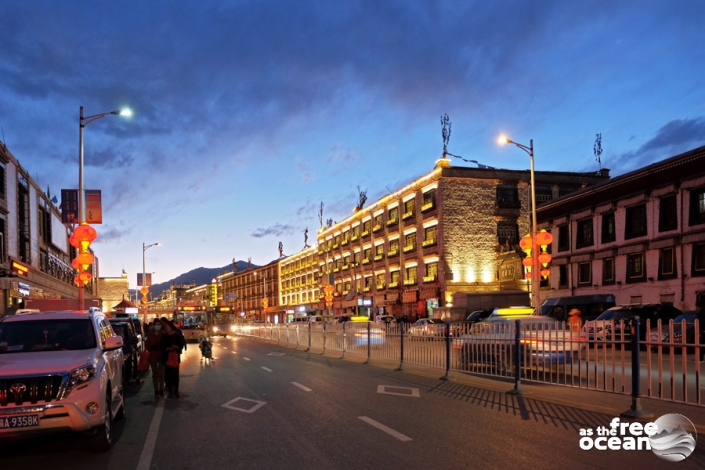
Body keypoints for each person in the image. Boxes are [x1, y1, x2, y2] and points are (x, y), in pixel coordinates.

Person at [161, 320, 186, 399]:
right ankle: (170, 391)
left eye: (168, 327)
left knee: (175, 375)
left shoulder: (177, 335)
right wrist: (167, 348)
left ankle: (176, 391)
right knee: (168, 375)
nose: (167, 328)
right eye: (166, 327)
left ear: (171, 327)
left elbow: (181, 345)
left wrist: (176, 347)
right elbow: (161, 346)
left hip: (175, 357)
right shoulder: (164, 336)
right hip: (167, 358)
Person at [145, 318, 165, 399]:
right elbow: (147, 345)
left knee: (161, 373)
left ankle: (161, 389)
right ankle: (156, 390)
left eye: (158, 325)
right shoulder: (150, 334)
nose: (157, 326)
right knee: (155, 374)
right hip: (153, 356)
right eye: (156, 325)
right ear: (153, 325)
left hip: (161, 356)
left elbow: (165, 344)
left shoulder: (163, 334)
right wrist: (152, 347)